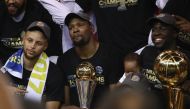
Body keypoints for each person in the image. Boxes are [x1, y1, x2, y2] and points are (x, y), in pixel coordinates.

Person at [57, 12, 121, 109]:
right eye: (71, 27)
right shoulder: (64, 60)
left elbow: (116, 99)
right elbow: (65, 103)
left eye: (80, 25)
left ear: (91, 28)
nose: (75, 30)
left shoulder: (110, 55)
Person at [1, 21, 64, 109]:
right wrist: (5, 92)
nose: (32, 46)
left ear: (45, 46)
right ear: (23, 40)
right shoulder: (6, 64)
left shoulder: (54, 73)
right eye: (30, 40)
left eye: (39, 43)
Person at [141, 13, 190, 109]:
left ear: (175, 33)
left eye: (162, 29)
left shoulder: (186, 57)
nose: (156, 33)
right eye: (154, 29)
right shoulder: (147, 52)